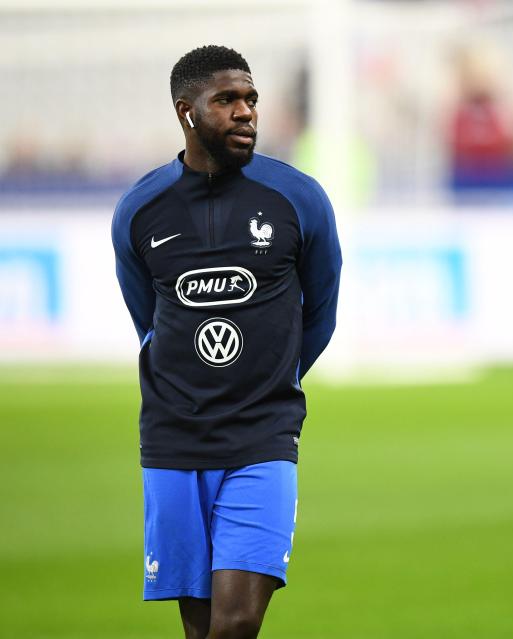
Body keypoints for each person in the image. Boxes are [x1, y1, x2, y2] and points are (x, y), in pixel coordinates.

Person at [112, 45, 342, 639]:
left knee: (236, 624)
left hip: (262, 436)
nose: (246, 112)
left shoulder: (299, 198)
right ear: (186, 112)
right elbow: (148, 321)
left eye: (251, 99)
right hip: (172, 440)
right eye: (227, 100)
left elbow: (320, 315)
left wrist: (269, 381)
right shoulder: (140, 209)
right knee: (201, 627)